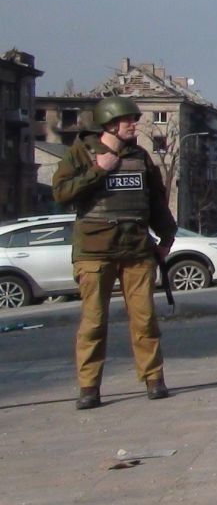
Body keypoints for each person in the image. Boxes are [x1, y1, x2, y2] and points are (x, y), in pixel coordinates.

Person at [51, 96, 177, 409]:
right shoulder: (81, 153)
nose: (135, 124)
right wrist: (98, 170)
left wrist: (166, 238)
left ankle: (154, 380)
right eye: (129, 120)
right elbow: (61, 194)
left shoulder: (140, 156)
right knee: (93, 322)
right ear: (110, 124)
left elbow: (156, 201)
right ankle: (89, 388)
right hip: (95, 252)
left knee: (145, 320)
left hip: (136, 248)